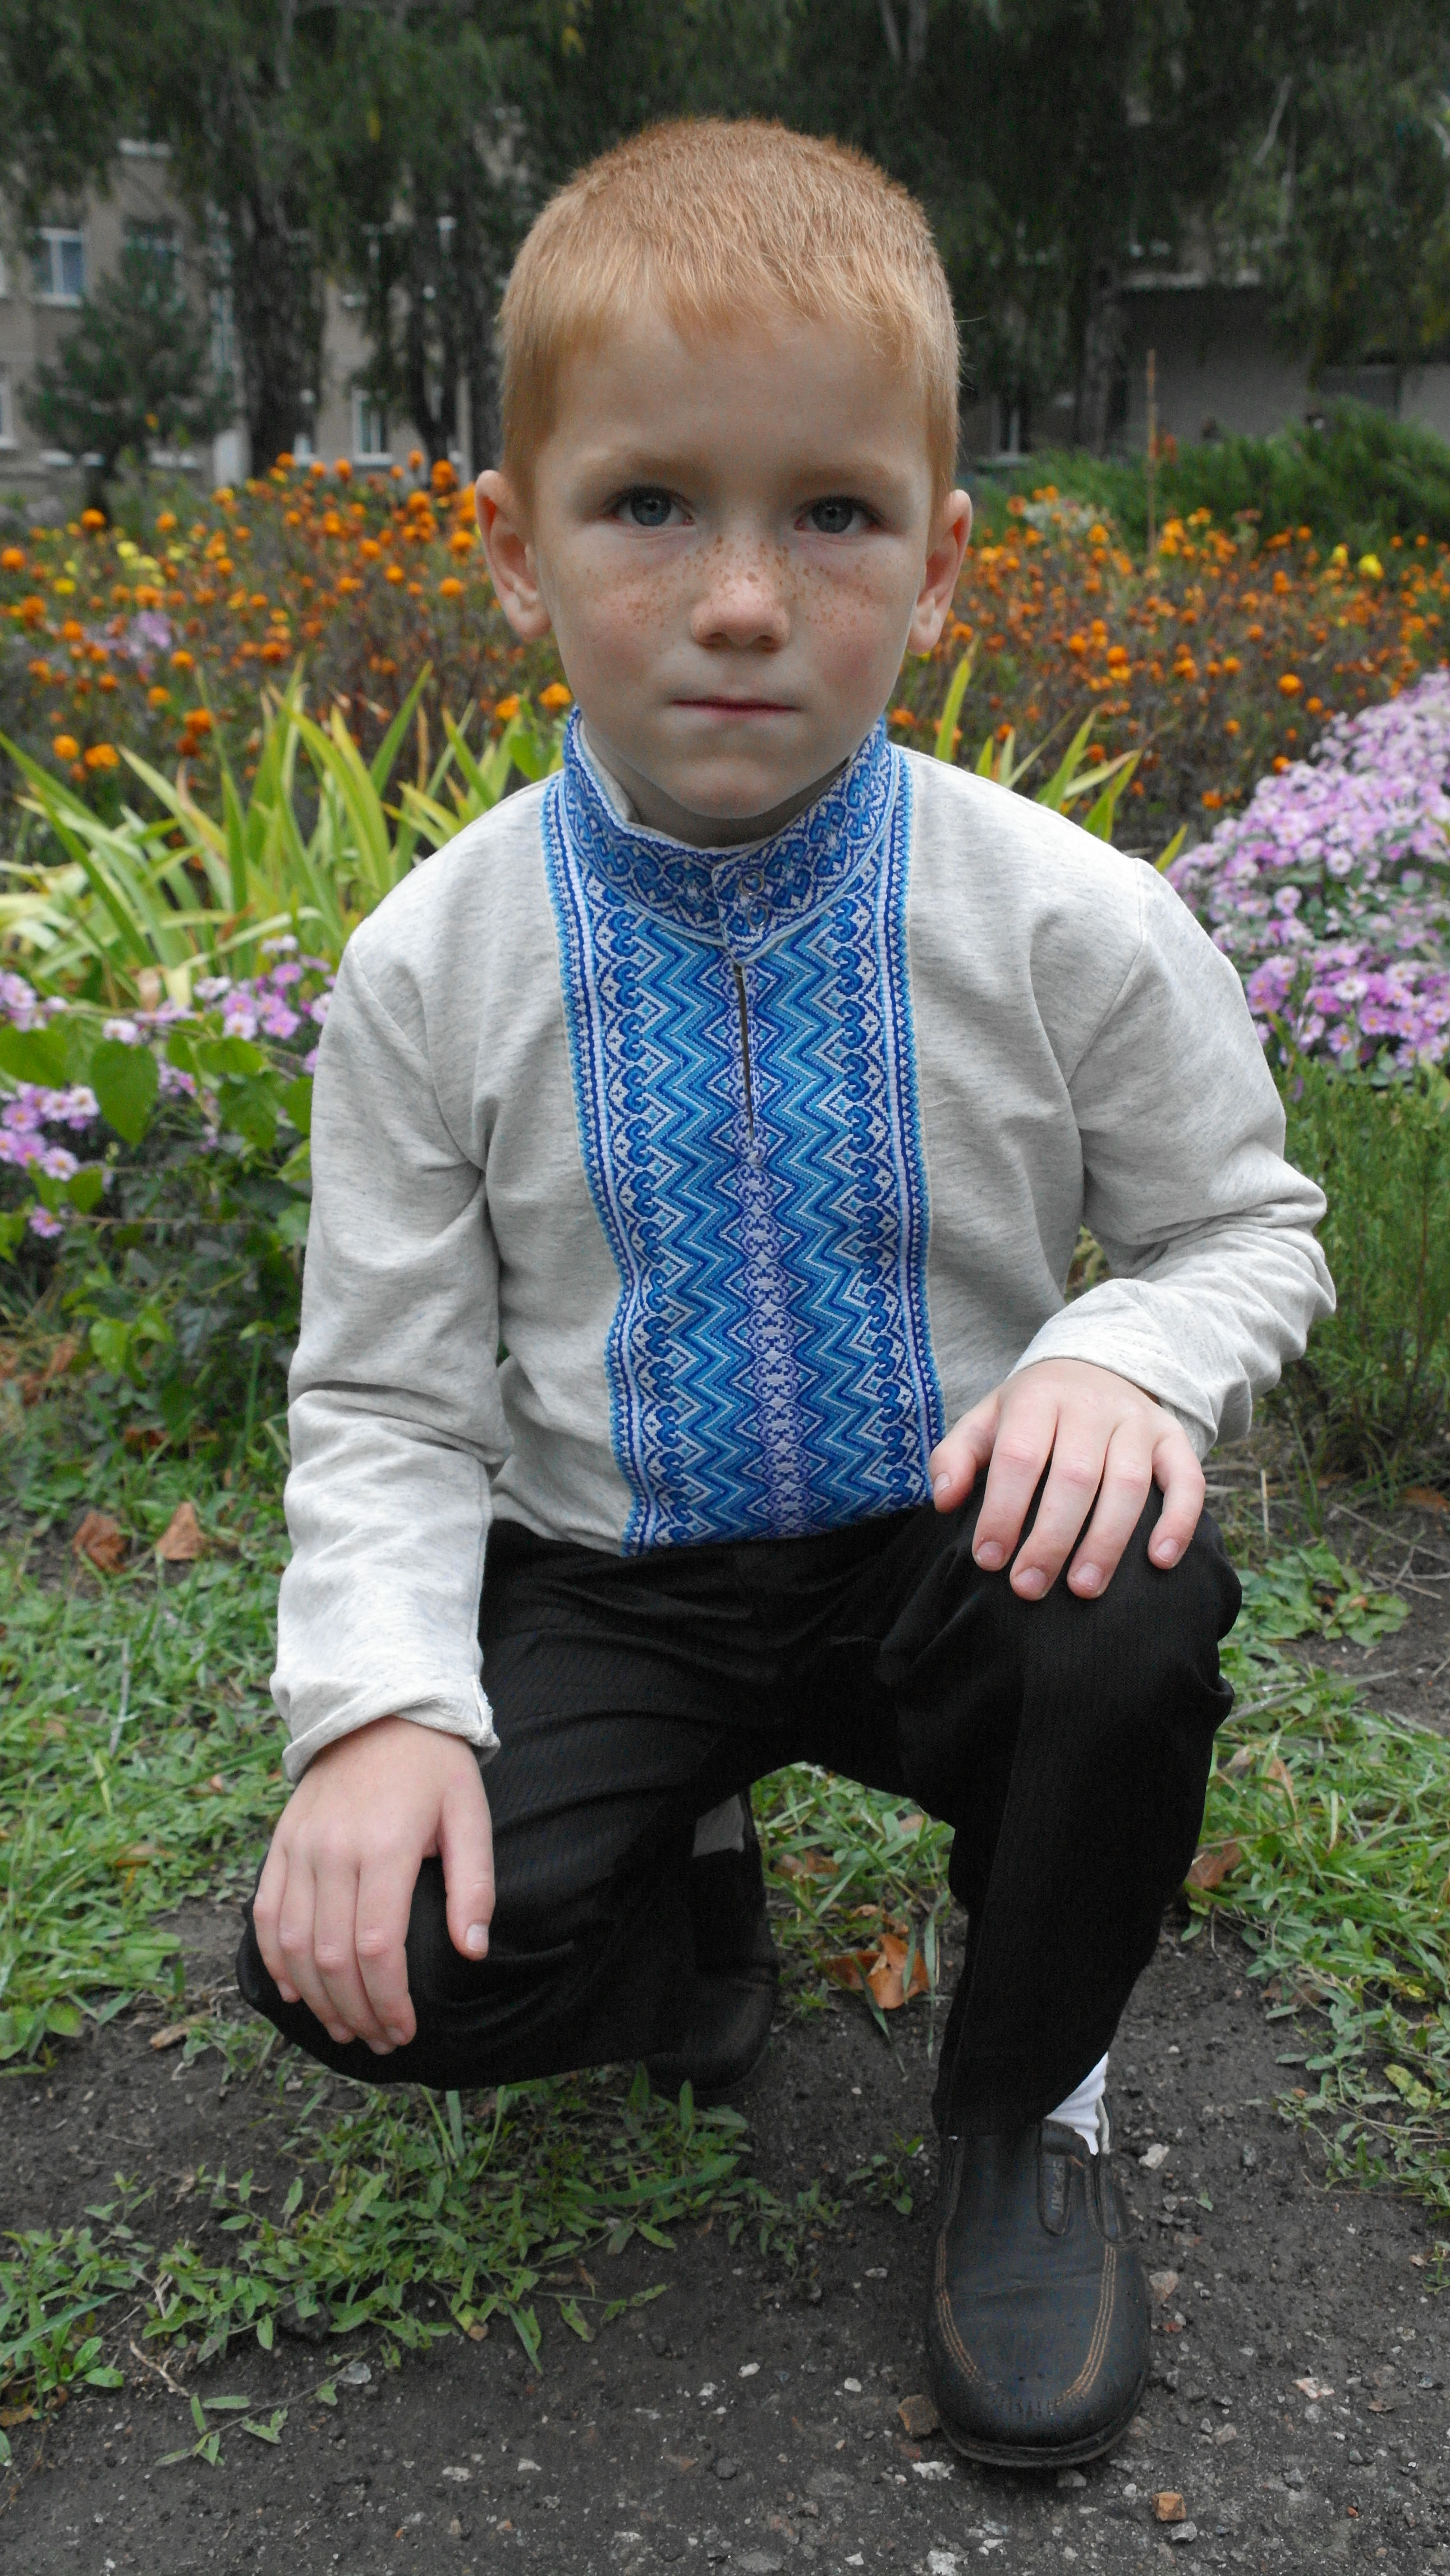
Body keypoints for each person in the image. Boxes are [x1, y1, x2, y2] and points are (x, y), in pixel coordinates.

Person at [237, 118, 1333, 2469]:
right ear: (513, 543)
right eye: (649, 503)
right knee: (363, 1962)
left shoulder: (1061, 915)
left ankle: (1023, 2111)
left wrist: (1122, 1355)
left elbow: (1245, 1227)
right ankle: (682, 1883)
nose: (741, 597)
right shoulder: (435, 963)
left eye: (831, 513)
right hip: (610, 1575)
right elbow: (391, 1403)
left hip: (939, 1558)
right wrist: (378, 1709)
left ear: (938, 564)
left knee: (1128, 1615)